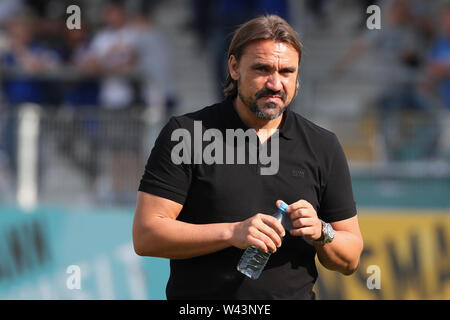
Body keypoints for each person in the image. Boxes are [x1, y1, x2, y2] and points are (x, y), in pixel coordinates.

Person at [133, 15, 363, 300]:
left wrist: (321, 231)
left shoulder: (322, 145)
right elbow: (147, 235)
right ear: (233, 67)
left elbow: (350, 258)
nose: (275, 83)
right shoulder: (187, 134)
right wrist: (232, 233)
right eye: (262, 69)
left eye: (287, 72)